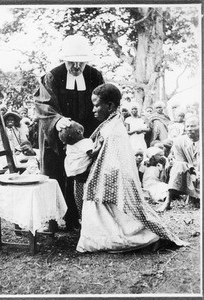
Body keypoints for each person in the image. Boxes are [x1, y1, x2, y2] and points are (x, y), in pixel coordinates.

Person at [76, 83, 188, 253]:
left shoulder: (115, 128)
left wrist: (96, 178)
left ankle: (126, 239)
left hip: (111, 178)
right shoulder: (111, 124)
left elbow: (113, 161)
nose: (94, 109)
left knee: (114, 217)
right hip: (106, 177)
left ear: (110, 106)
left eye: (97, 105)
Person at [35, 34, 104, 230]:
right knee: (53, 174)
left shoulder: (94, 76)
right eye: (71, 62)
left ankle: (75, 218)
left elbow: (104, 99)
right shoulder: (51, 76)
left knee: (81, 174)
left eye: (80, 63)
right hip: (55, 133)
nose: (75, 67)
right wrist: (58, 121)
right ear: (63, 59)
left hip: (85, 133)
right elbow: (42, 104)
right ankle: (52, 220)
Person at [58, 120, 104, 219]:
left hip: (72, 171)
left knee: (79, 193)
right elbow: (91, 154)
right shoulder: (85, 142)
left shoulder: (69, 145)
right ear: (79, 132)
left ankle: (81, 217)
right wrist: (99, 144)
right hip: (82, 168)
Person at [157, 115, 200, 211]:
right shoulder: (180, 141)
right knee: (178, 165)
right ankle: (167, 202)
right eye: (187, 126)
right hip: (189, 170)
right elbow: (181, 161)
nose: (189, 129)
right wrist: (192, 170)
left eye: (193, 126)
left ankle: (196, 198)